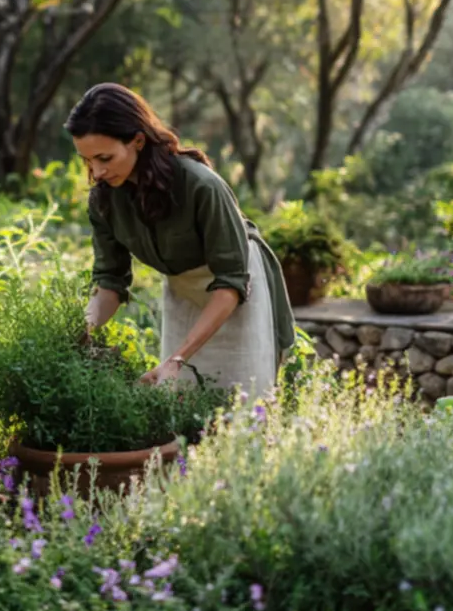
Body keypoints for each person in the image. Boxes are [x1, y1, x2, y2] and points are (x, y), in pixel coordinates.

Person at [66, 82, 296, 397]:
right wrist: (79, 332)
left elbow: (231, 281)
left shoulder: (200, 185)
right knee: (181, 407)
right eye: (88, 160)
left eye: (105, 158)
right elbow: (111, 283)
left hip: (236, 290)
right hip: (182, 290)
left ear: (137, 141)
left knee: (242, 403)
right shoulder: (104, 201)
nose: (97, 171)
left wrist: (177, 357)